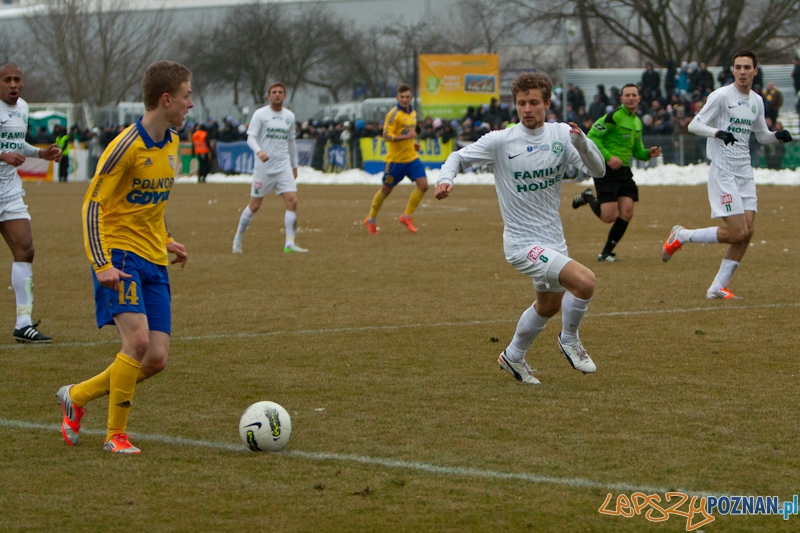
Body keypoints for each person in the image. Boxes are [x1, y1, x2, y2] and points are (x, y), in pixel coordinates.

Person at [55, 60, 192, 454]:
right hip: (119, 255)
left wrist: (166, 238)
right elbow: (92, 205)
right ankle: (115, 436)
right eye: (186, 96)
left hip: (153, 259)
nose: (190, 104)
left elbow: (152, 203)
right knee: (138, 342)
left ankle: (77, 396)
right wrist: (102, 264)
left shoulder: (172, 142)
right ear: (165, 100)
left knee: (156, 358)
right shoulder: (125, 147)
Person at [434, 72, 606, 385]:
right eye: (521, 103)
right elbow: (457, 157)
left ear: (547, 103)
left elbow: (598, 170)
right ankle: (569, 340)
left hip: (553, 239)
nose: (527, 108)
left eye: (534, 102)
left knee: (548, 305)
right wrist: (446, 179)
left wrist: (583, 143)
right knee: (585, 282)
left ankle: (512, 356)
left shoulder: (561, 135)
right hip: (521, 244)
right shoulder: (501, 140)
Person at [661, 50, 792, 299]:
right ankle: (683, 235)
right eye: (738, 67)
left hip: (745, 173)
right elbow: (694, 124)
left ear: (755, 71)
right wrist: (718, 132)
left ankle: (717, 287)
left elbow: (761, 135)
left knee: (747, 232)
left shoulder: (756, 100)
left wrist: (777, 136)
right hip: (723, 172)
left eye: (747, 67)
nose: (742, 72)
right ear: (732, 70)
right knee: (737, 233)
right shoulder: (721, 96)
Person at [0, 63, 62, 343]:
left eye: (17, 79)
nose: (13, 84)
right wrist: (2, 155)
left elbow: (17, 143)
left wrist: (40, 153)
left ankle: (23, 324)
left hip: (9, 191)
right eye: (7, 80)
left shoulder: (23, 108)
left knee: (25, 249)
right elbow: (6, 150)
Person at [572, 84, 662, 262]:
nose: (630, 98)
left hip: (624, 171)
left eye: (634, 95)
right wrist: (608, 157)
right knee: (608, 216)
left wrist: (647, 153)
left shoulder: (637, 122)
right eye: (627, 95)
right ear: (621, 99)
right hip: (606, 170)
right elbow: (592, 137)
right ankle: (588, 196)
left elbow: (637, 150)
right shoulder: (613, 117)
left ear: (639, 98)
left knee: (627, 212)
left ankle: (605, 254)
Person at [232, 82, 306, 253]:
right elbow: (251, 138)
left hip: (283, 166)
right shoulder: (260, 114)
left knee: (293, 201)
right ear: (268, 96)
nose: (277, 94)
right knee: (254, 206)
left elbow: (291, 142)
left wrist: (294, 166)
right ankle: (238, 237)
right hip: (263, 169)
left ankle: (290, 243)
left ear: (284, 96)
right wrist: (259, 152)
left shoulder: (289, 116)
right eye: (274, 92)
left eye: (280, 92)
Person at [363, 83, 427, 235]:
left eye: (407, 97)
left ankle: (406, 217)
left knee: (423, 186)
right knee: (386, 190)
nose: (404, 99)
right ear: (397, 98)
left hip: (412, 158)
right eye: (402, 97)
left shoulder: (413, 113)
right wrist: (407, 136)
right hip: (395, 161)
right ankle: (371, 219)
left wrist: (413, 144)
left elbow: (408, 134)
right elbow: (386, 136)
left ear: (411, 98)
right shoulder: (393, 114)